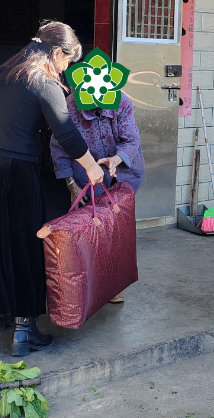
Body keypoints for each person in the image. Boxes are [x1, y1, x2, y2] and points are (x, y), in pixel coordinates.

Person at [0, 21, 105, 357]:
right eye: (67, 61)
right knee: (26, 246)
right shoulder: (44, 81)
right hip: (13, 170)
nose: (66, 69)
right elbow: (66, 134)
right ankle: (25, 329)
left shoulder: (5, 73)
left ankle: (0, 311)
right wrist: (91, 167)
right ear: (57, 53)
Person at [50, 91, 145, 303]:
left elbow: (132, 140)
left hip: (123, 174)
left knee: (117, 230)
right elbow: (58, 147)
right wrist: (72, 185)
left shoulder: (122, 101)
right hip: (87, 179)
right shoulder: (69, 106)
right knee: (92, 232)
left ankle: (114, 284)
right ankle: (92, 285)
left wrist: (116, 159)